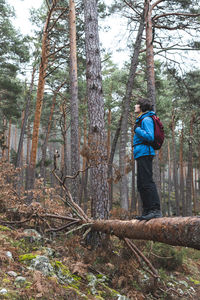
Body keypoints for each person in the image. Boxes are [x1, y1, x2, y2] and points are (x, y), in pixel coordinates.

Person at [133, 98, 162, 221]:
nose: (135, 106)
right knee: (141, 184)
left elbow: (150, 137)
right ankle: (147, 211)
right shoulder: (142, 119)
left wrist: (137, 129)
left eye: (137, 104)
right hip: (141, 153)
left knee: (147, 182)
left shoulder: (146, 119)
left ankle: (155, 210)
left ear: (142, 107)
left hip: (145, 152)